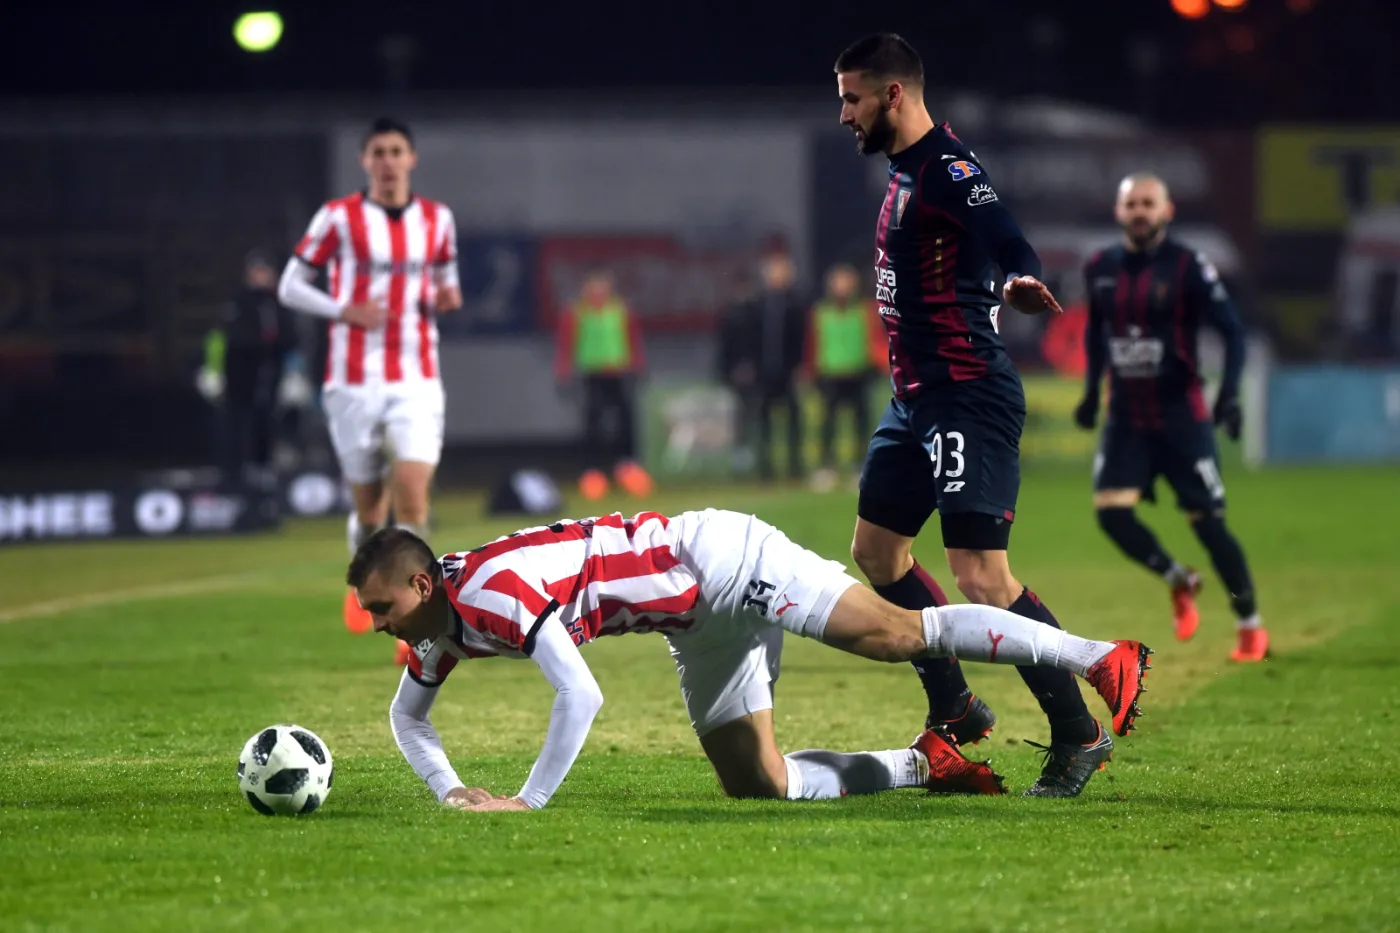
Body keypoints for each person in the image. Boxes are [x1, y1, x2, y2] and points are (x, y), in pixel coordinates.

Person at [348, 513, 1152, 810]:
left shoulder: (490, 593)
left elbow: (581, 695)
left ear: (420, 584)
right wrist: (450, 789)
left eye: (383, 607)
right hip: (691, 622)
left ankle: (1096, 655)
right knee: (756, 782)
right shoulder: (436, 622)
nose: (382, 625)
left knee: (894, 632)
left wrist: (526, 801)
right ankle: (923, 766)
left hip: (721, 558)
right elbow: (406, 717)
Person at [835, 34, 1123, 799]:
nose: (843, 113)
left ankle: (1078, 731)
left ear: (893, 94)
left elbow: (1005, 234)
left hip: (966, 393)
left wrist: (1021, 273)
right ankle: (955, 701)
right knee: (877, 550)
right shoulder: (902, 173)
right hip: (915, 399)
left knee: (983, 578)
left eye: (852, 97)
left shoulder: (948, 170)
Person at [277, 116, 462, 665]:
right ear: (365, 161)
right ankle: (364, 580)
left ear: (412, 159)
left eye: (396, 150)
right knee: (368, 506)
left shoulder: (438, 219)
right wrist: (344, 309)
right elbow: (291, 285)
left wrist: (446, 299)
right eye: (377, 151)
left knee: (411, 494)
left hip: (416, 377)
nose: (387, 160)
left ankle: (416, 628)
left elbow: (446, 285)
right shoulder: (338, 217)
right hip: (353, 380)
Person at [1075, 173, 1265, 662]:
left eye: (1148, 203)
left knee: (1209, 524)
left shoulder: (1188, 266)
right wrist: (1091, 393)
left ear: (1167, 211)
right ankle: (1179, 579)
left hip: (1182, 416)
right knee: (1111, 514)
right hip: (1127, 417)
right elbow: (1097, 336)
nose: (1139, 211)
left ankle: (1250, 626)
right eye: (1131, 203)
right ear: (1119, 212)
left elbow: (1233, 333)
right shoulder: (1100, 268)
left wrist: (1229, 397)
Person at [198, 249, 300, 485]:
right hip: (239, 377)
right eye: (256, 271)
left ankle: (263, 472)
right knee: (235, 424)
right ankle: (232, 474)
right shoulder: (237, 302)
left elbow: (290, 338)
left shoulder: (279, 303)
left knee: (267, 423)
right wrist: (214, 371)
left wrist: (293, 369)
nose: (261, 276)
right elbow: (226, 339)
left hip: (271, 375)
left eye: (264, 271)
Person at [553, 266, 651, 499]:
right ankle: (592, 473)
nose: (598, 290)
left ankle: (627, 468)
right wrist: (563, 370)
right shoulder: (576, 312)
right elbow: (566, 343)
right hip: (592, 372)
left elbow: (632, 338)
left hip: (618, 371)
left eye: (602, 285)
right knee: (592, 424)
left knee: (626, 421)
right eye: (593, 286)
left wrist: (638, 364)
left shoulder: (620, 309)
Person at [718, 246, 809, 481]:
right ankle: (766, 468)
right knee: (764, 420)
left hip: (788, 370)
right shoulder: (756, 305)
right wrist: (748, 365)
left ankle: (794, 467)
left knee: (792, 419)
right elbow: (747, 338)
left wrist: (801, 365)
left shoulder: (797, 304)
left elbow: (803, 338)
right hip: (763, 371)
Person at [803, 262, 886, 491]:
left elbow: (876, 340)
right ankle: (826, 469)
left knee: (861, 424)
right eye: (838, 282)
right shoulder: (821, 311)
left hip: (859, 372)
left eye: (846, 281)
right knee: (827, 425)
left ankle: (861, 468)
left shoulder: (866, 310)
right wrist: (810, 371)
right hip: (830, 374)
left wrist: (882, 364)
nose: (842, 287)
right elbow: (813, 344)